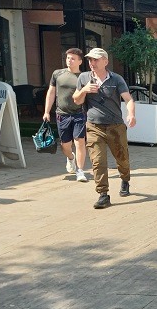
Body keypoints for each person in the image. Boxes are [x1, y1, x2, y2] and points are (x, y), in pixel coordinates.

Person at [72, 48, 135, 209]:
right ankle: (103, 194)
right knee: (98, 161)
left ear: (105, 61)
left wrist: (131, 114)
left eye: (96, 60)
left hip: (115, 126)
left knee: (122, 158)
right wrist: (84, 90)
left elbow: (128, 99)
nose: (92, 63)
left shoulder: (116, 79)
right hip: (94, 126)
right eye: (90, 60)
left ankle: (125, 179)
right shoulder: (84, 78)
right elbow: (76, 100)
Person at [42, 48, 88, 182]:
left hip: (79, 113)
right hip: (62, 114)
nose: (69, 60)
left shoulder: (84, 77)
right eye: (68, 58)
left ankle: (80, 171)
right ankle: (70, 158)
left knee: (80, 141)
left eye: (73, 58)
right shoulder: (57, 74)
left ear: (80, 61)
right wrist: (46, 111)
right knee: (65, 145)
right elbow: (51, 93)